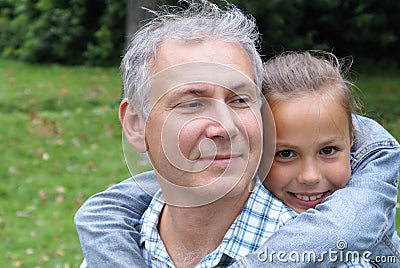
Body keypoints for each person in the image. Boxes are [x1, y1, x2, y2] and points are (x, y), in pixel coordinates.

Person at [75, 1, 400, 267]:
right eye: (192, 103)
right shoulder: (112, 248)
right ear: (135, 123)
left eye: (240, 100)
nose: (227, 127)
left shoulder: (333, 258)